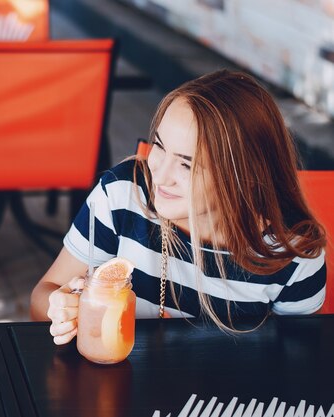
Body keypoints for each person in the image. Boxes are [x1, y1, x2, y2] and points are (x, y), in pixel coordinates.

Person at [30, 70, 327, 342]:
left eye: (187, 164)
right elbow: (43, 296)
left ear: (244, 176)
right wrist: (61, 311)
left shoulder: (294, 253)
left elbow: (296, 361)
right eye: (159, 146)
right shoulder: (122, 195)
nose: (159, 174)